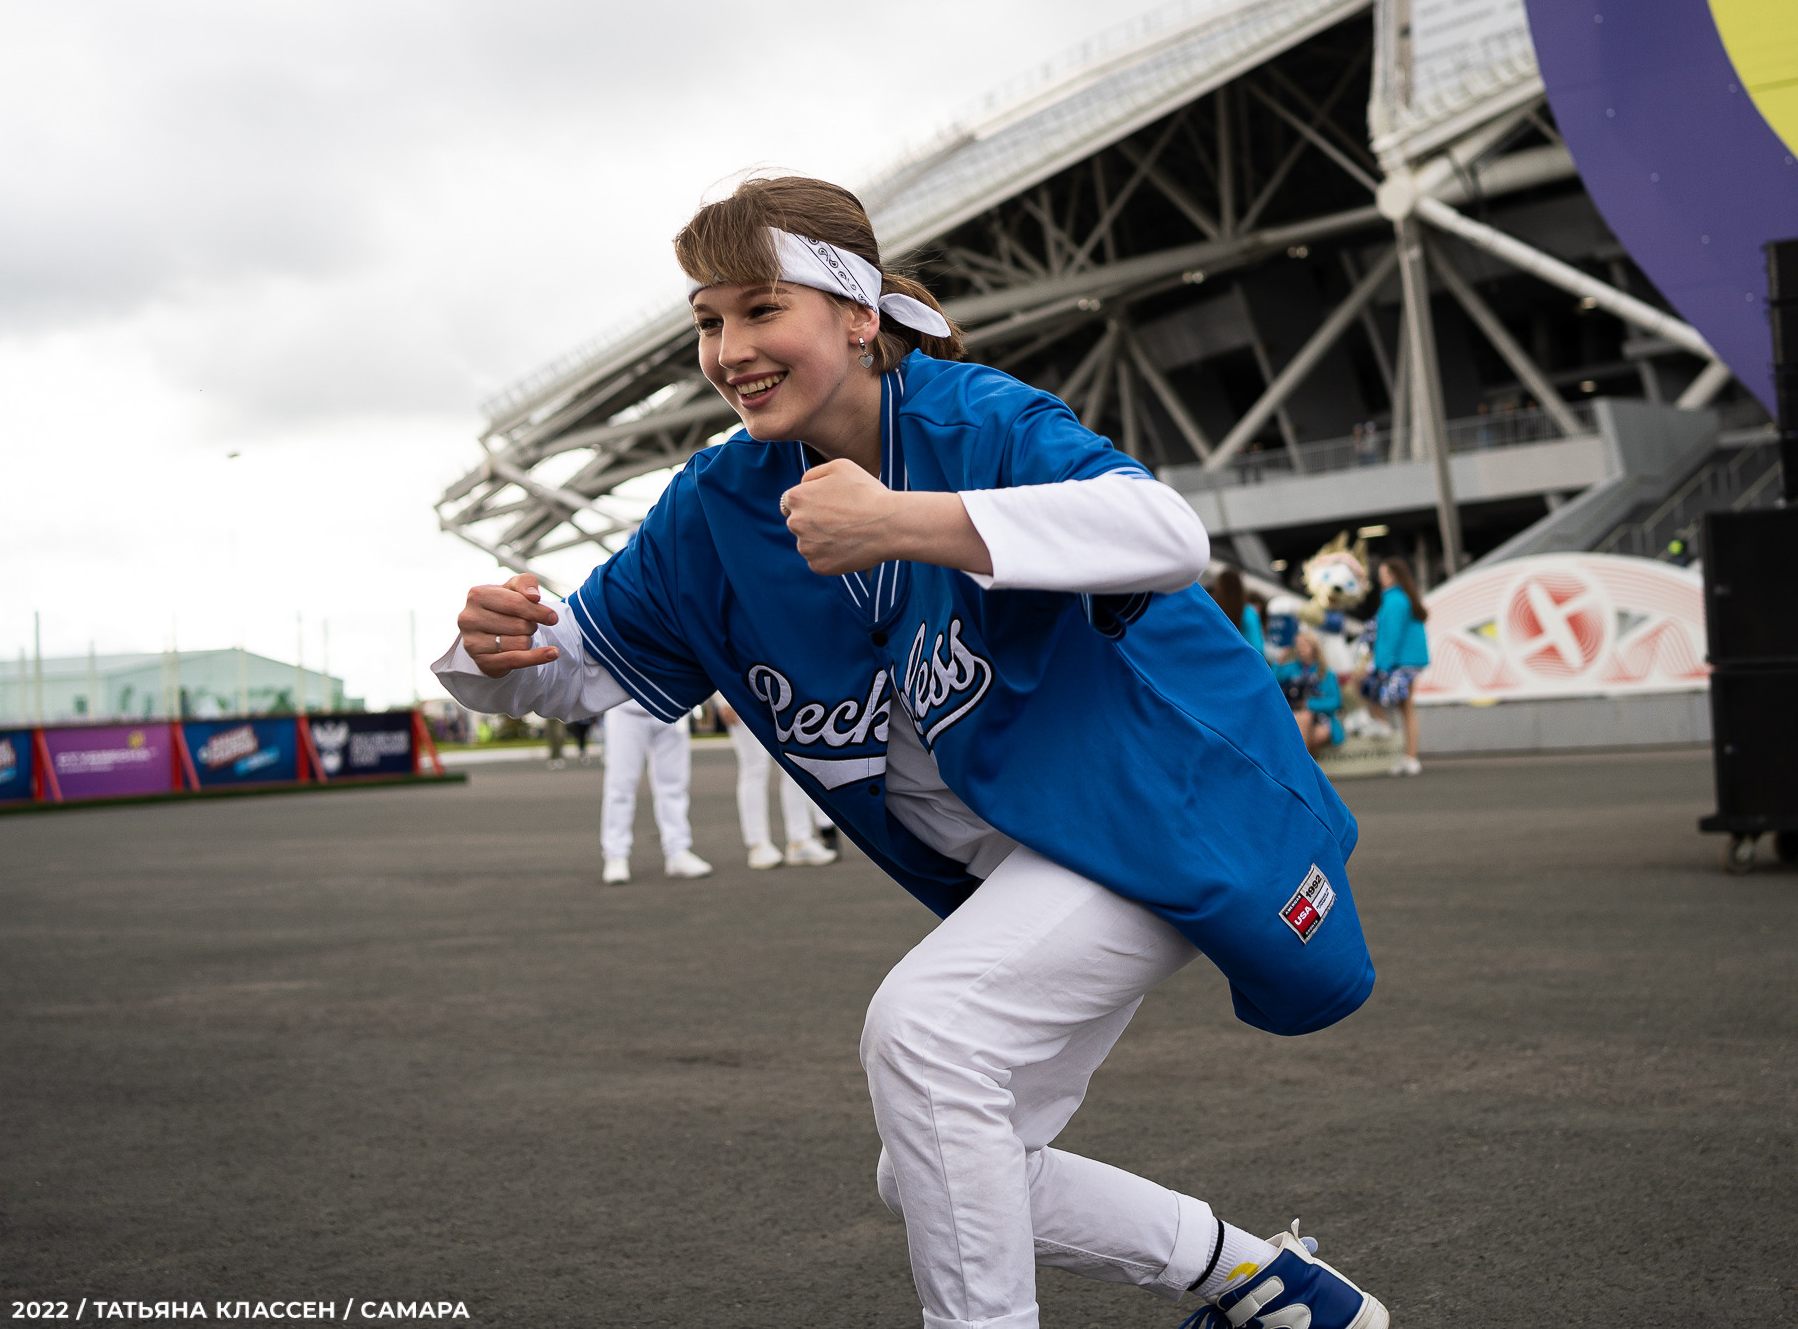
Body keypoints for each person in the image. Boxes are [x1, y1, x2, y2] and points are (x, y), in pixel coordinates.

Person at [435, 176, 1384, 1329]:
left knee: (928, 1038)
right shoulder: (715, 504)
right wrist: (492, 655)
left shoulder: (971, 418)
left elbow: (1164, 535)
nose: (726, 348)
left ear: (856, 315)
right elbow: (579, 664)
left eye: (756, 309)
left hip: (1159, 815)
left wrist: (900, 520)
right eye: (705, 320)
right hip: (1033, 853)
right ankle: (1261, 1284)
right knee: (935, 1162)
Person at [599, 700, 712, 884]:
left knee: (674, 784)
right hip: (626, 706)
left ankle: (678, 850)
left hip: (673, 701)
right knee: (620, 785)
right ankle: (615, 855)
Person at [717, 698, 837, 869]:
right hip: (741, 691)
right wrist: (722, 699)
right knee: (755, 766)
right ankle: (758, 845)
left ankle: (800, 840)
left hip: (779, 690)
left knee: (795, 762)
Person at [1360, 557, 1430, 777]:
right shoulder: (1401, 598)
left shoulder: (1395, 600)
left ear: (1394, 575)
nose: (1380, 578)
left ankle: (1409, 756)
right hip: (1407, 661)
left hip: (1402, 663)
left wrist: (1381, 665)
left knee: (1405, 708)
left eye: (1384, 573)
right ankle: (1407, 756)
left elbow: (1390, 636)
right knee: (1405, 709)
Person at [1287, 634, 1346, 756]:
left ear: (1313, 647)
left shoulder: (1326, 673)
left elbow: (1335, 702)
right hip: (1296, 717)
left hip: (1323, 718)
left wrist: (1308, 704)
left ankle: (1301, 770)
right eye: (1297, 646)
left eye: (1303, 645)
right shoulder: (1291, 669)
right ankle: (1306, 771)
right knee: (1303, 720)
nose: (1299, 649)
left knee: (1308, 724)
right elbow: (1274, 674)